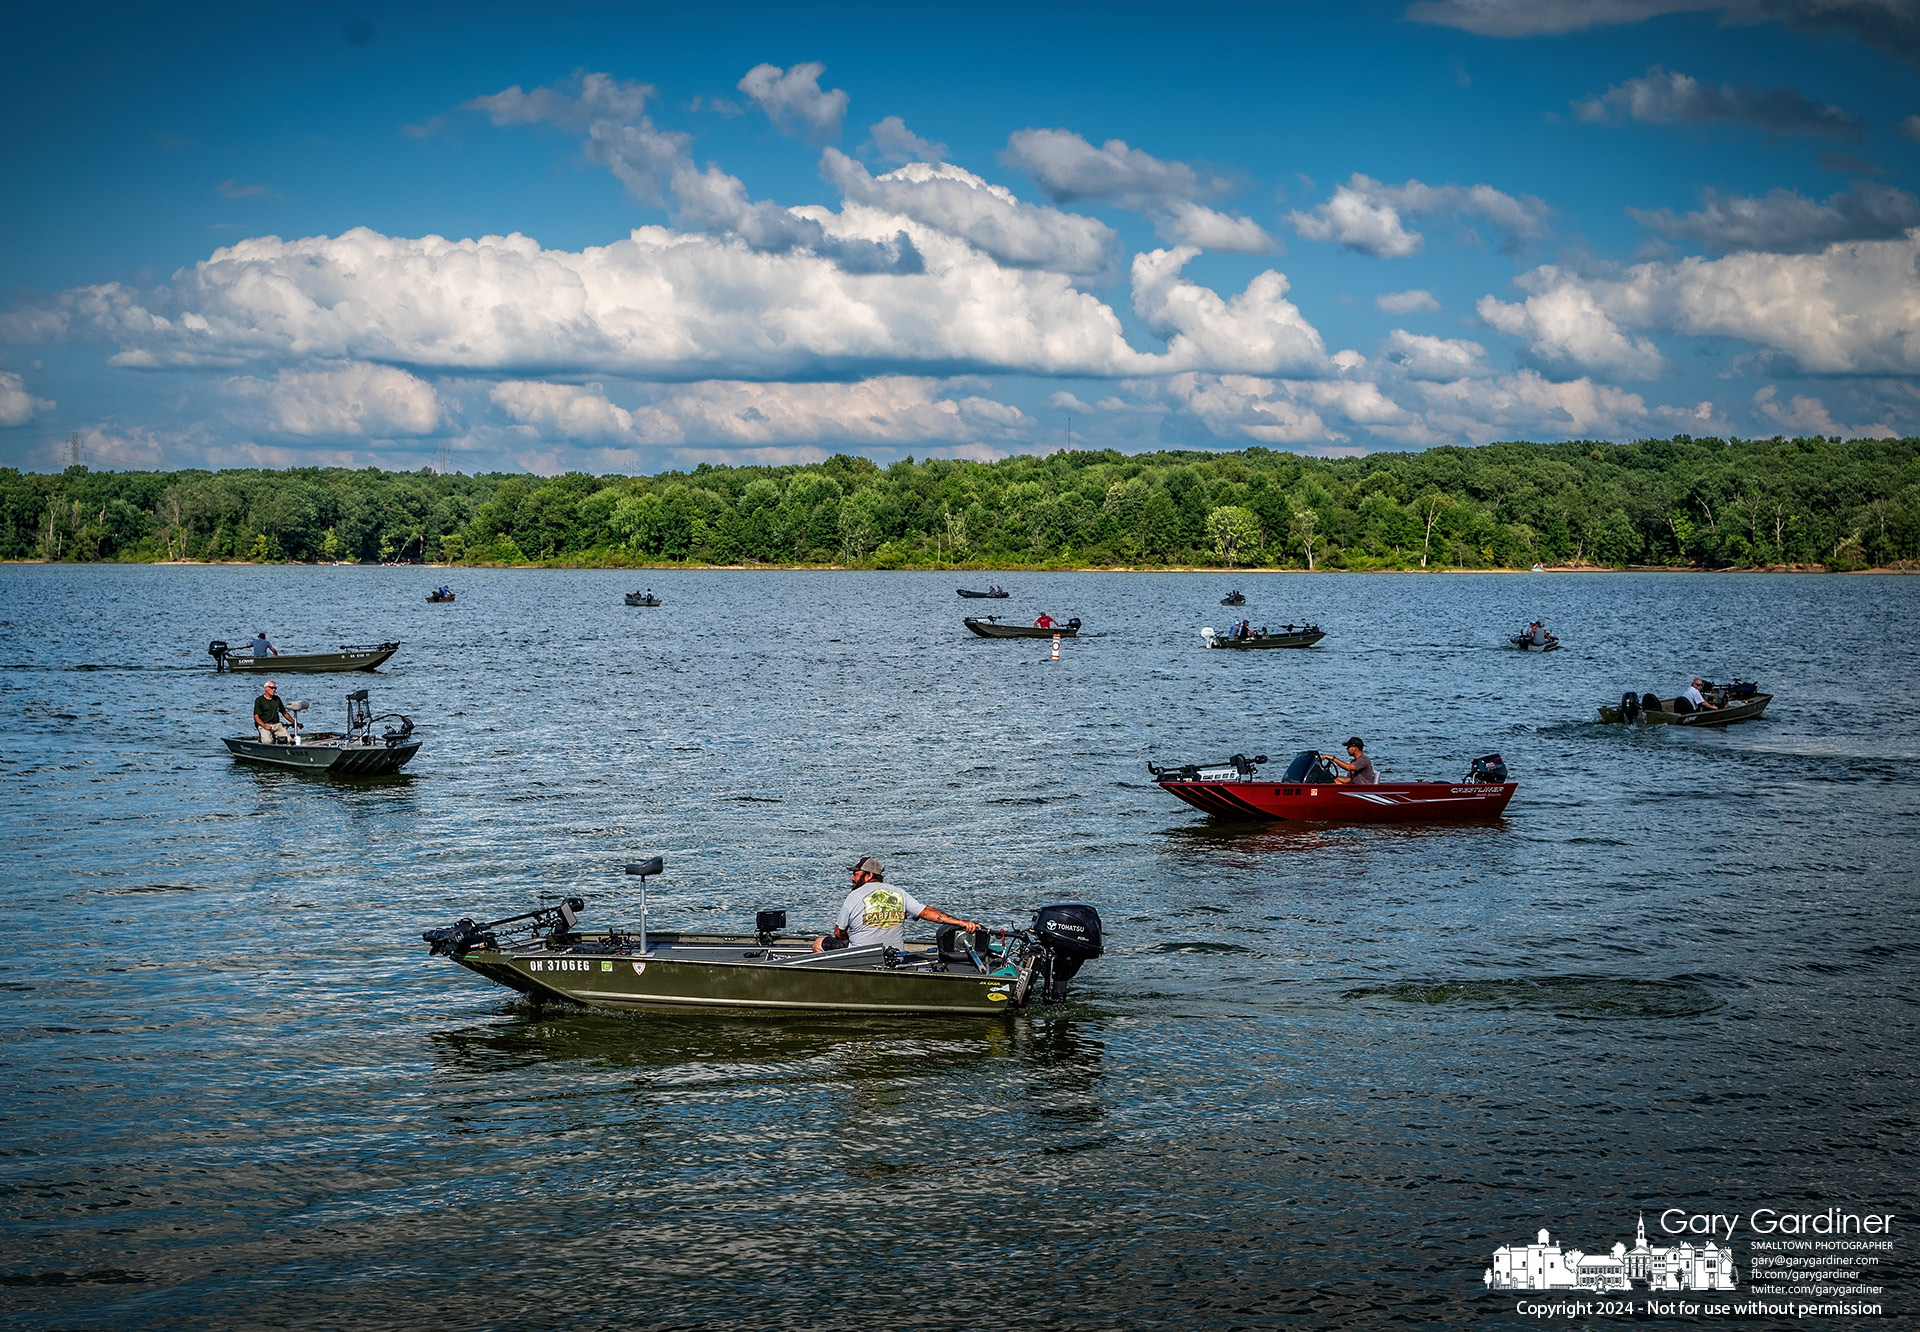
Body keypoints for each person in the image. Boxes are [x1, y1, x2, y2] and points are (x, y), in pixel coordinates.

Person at [812, 857, 981, 953]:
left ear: (869, 875)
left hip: (861, 956)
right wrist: (961, 923)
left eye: (856, 874)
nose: (852, 878)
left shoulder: (853, 896)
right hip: (895, 953)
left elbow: (838, 932)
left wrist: (851, 940)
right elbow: (928, 913)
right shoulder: (899, 893)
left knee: (819, 942)